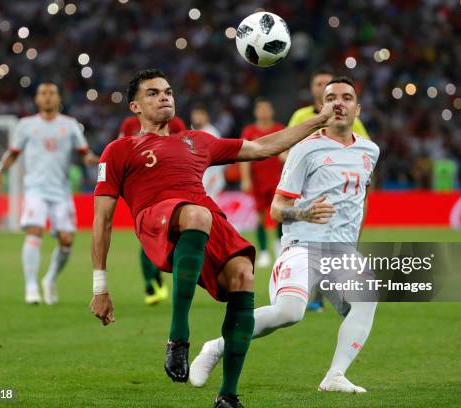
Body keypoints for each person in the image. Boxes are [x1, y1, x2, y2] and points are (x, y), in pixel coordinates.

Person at [89, 68, 337, 408]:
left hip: (201, 216)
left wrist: (318, 120)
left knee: (243, 274)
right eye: (153, 93)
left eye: (168, 91)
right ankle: (178, 337)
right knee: (198, 213)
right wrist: (100, 287)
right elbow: (101, 220)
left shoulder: (197, 140)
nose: (164, 97)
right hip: (155, 216)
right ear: (134, 107)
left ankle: (228, 395)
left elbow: (264, 147)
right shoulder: (119, 150)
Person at [191, 76, 379, 394]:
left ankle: (335, 376)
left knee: (365, 300)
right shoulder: (305, 149)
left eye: (347, 97)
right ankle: (216, 347)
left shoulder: (369, 151)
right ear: (322, 106)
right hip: (303, 245)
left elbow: (360, 198)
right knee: (289, 312)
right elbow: (276, 209)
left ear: (357, 109)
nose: (339, 103)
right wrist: (304, 213)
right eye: (331, 97)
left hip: (342, 250)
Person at [0, 82, 98, 304]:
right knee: (35, 230)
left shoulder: (70, 125)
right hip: (35, 189)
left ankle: (49, 279)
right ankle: (31, 286)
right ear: (37, 99)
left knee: (67, 240)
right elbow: (13, 153)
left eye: (52, 93)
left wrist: (92, 159)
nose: (48, 97)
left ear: (58, 99)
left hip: (61, 191)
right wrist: (0, 171)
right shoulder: (26, 125)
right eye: (43, 94)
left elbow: (84, 152)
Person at [287, 67, 371, 312]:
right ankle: (308, 292)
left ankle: (328, 293)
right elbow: (286, 145)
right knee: (312, 242)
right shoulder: (301, 116)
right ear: (316, 91)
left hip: (342, 189)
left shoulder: (352, 119)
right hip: (308, 189)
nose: (338, 102)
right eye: (320, 84)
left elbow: (364, 150)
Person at [118, 114, 187, 305]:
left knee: (171, 238)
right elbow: (122, 150)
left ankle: (160, 277)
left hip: (171, 188)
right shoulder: (129, 124)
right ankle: (150, 282)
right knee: (146, 236)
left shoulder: (175, 123)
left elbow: (185, 150)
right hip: (142, 190)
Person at [239, 98, 285, 267]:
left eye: (267, 108)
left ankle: (279, 244)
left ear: (272, 111)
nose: (264, 112)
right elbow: (244, 158)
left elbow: (286, 154)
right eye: (261, 109)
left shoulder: (279, 130)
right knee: (260, 217)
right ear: (256, 112)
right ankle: (264, 251)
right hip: (258, 180)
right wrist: (245, 179)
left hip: (278, 180)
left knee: (280, 214)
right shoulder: (250, 131)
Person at [190, 105, 225, 200]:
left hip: (210, 176)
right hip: (197, 177)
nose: (197, 117)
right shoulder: (191, 132)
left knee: (210, 209)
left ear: (206, 116)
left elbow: (220, 158)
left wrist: (214, 177)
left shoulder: (212, 133)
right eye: (195, 114)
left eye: (200, 114)